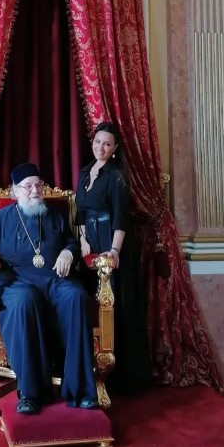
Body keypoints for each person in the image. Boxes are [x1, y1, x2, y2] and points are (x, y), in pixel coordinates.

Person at [0, 162, 98, 415]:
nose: (35, 190)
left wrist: (68, 253)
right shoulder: (1, 219)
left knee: (76, 297)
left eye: (38, 185)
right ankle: (30, 393)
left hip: (55, 279)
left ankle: (80, 390)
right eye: (28, 186)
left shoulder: (54, 215)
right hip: (17, 282)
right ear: (15, 191)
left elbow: (71, 242)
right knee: (24, 301)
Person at [75, 122, 152, 395]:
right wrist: (83, 241)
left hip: (111, 244)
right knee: (92, 303)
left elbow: (121, 218)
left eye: (107, 144)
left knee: (115, 306)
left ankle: (119, 379)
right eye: (98, 142)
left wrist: (114, 251)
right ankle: (92, 370)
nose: (101, 147)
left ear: (115, 148)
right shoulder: (85, 172)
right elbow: (80, 214)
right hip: (89, 245)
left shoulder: (117, 175)